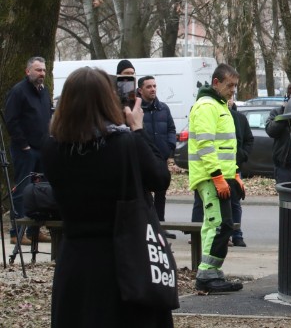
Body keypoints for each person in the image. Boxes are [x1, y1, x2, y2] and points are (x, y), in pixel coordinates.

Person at [41, 67, 172, 328]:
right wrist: (137, 128)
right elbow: (160, 178)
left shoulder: (52, 149)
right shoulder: (125, 144)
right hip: (123, 260)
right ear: (107, 100)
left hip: (75, 261)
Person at [188, 63, 245, 293]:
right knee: (218, 225)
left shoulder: (217, 106)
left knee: (221, 225)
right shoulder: (206, 107)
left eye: (235, 86)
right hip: (211, 178)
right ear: (216, 83)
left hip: (220, 176)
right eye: (229, 85)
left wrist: (235, 175)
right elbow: (205, 145)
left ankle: (212, 273)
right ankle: (206, 275)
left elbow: (224, 148)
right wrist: (218, 177)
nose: (233, 90)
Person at [4, 56, 52, 245]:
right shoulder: (18, 91)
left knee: (41, 190)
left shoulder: (44, 91)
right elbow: (11, 120)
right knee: (22, 189)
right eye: (38, 70)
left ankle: (34, 230)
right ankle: (17, 232)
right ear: (28, 71)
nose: (42, 74)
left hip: (43, 148)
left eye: (43, 70)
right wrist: (24, 144)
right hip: (25, 150)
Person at [138, 76, 177, 221]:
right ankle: (146, 225)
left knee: (161, 193)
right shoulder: (136, 110)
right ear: (140, 90)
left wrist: (169, 147)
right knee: (144, 194)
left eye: (154, 86)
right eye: (149, 87)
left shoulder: (163, 108)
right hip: (142, 160)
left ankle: (161, 225)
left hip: (160, 158)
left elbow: (171, 129)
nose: (153, 89)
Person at [266, 80, 291, 185]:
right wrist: (284, 114)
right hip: (284, 166)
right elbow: (271, 131)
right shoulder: (277, 112)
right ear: (288, 96)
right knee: (287, 197)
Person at [228, 99, 253, 247]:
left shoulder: (240, 118)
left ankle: (237, 234)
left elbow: (249, 139)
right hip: (218, 168)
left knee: (235, 202)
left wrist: (242, 154)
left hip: (235, 168)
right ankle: (224, 236)